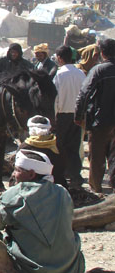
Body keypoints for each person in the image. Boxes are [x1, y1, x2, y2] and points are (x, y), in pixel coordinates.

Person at [0, 150, 85, 273]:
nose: (14, 175)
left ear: (31, 175)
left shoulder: (17, 196)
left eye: (17, 170)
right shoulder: (62, 192)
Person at [75, 37, 115, 192]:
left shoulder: (98, 70)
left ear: (101, 53)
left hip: (100, 122)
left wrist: (78, 116)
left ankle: (96, 191)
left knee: (96, 158)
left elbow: (85, 93)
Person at [53, 46, 86, 189]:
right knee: (74, 146)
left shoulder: (59, 75)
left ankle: (61, 174)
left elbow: (56, 98)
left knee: (60, 146)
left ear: (60, 58)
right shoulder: (81, 74)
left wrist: (54, 116)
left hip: (62, 115)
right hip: (77, 115)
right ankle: (75, 176)